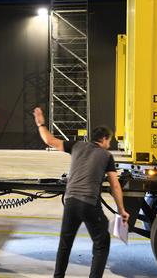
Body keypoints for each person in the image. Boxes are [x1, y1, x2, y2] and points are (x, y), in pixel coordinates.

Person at [33, 107, 129, 278]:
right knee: (102, 242)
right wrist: (121, 210)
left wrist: (41, 124)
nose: (110, 144)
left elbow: (49, 140)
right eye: (110, 140)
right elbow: (115, 185)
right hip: (89, 203)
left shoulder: (76, 145)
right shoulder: (106, 156)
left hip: (70, 201)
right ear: (105, 139)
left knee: (65, 244)